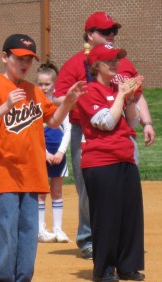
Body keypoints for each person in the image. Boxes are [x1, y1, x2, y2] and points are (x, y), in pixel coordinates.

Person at [0, 34, 87, 281]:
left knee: (27, 235)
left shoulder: (34, 91)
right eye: (20, 58)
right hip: (3, 176)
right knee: (3, 234)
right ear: (4, 57)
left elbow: (54, 121)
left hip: (33, 175)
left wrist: (67, 102)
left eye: (29, 59)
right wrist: (5, 106)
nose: (25, 64)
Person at [53, 11, 155, 260]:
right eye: (105, 31)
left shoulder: (123, 63)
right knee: (90, 187)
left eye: (114, 32)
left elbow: (136, 94)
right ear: (90, 35)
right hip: (88, 132)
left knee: (125, 185)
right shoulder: (77, 63)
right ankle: (88, 238)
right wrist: (90, 107)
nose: (111, 35)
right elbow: (58, 96)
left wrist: (147, 122)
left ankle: (120, 240)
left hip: (123, 130)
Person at [76, 44, 145, 281]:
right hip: (100, 161)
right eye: (110, 61)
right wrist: (121, 96)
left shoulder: (118, 88)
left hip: (125, 157)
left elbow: (132, 122)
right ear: (96, 66)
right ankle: (104, 269)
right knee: (106, 216)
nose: (116, 64)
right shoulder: (89, 90)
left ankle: (128, 266)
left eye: (117, 60)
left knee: (130, 214)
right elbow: (105, 122)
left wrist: (132, 97)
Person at [36, 61, 72, 243]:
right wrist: (44, 154)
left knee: (57, 191)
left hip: (58, 155)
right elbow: (31, 135)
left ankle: (58, 229)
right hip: (40, 154)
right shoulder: (34, 105)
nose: (43, 88)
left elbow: (68, 131)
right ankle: (40, 229)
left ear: (54, 85)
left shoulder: (60, 105)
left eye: (47, 84)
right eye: (40, 84)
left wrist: (60, 152)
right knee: (41, 192)